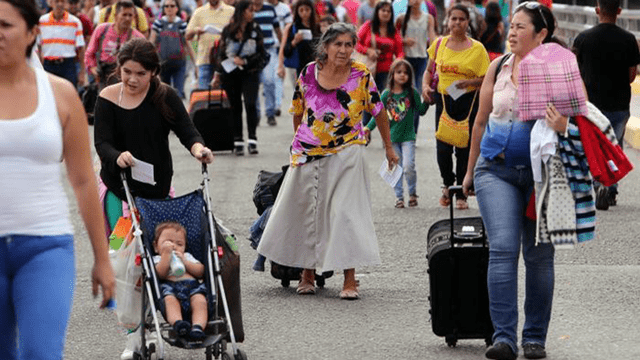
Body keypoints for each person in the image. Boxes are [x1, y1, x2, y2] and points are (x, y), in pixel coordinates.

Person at [0, 1, 115, 359]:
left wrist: (102, 258)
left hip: (46, 246)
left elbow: (82, 181)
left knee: (42, 352)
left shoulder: (61, 94)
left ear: (33, 33)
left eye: (5, 25)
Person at [257, 23, 399, 300]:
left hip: (348, 149)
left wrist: (388, 148)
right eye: (338, 44)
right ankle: (307, 272)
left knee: (346, 213)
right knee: (309, 211)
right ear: (325, 46)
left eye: (349, 45)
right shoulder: (310, 72)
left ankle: (349, 278)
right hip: (308, 151)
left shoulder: (360, 75)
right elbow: (298, 111)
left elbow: (378, 111)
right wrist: (299, 142)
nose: (344, 50)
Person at [93, 37, 213, 360]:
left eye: (140, 74)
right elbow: (101, 142)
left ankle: (169, 306)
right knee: (124, 260)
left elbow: (188, 132)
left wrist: (198, 149)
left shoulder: (165, 96)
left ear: (153, 72)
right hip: (119, 192)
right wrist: (117, 156)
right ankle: (134, 336)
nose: (131, 79)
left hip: (159, 195)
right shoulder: (106, 98)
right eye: (126, 71)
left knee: (159, 258)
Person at [461, 3, 563, 359]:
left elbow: (582, 121)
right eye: (512, 25)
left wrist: (564, 123)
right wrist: (470, 170)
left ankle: (534, 338)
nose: (513, 31)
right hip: (496, 170)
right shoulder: (498, 65)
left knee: (538, 257)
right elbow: (480, 119)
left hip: (543, 175)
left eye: (521, 27)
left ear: (541, 34)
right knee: (503, 249)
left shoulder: (559, 69)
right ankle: (503, 339)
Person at [572, 0, 640, 208]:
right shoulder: (629, 39)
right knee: (614, 147)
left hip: (591, 106)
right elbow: (631, 76)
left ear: (597, 10)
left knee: (593, 147)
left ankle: (598, 184)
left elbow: (574, 72)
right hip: (619, 106)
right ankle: (610, 189)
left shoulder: (583, 38)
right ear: (619, 11)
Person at [422, 3, 489, 210]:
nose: (457, 22)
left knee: (464, 148)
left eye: (461, 19)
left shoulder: (477, 49)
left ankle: (461, 191)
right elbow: (428, 70)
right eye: (454, 18)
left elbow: (487, 78)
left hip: (468, 102)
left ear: (468, 22)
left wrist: (469, 83)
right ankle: (447, 184)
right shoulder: (439, 44)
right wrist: (425, 85)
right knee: (442, 148)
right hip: (444, 99)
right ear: (448, 21)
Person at [365, 59, 428, 208]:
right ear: (392, 74)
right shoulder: (386, 94)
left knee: (408, 166)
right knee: (395, 168)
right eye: (399, 72)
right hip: (391, 139)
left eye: (406, 73)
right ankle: (399, 197)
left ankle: (412, 193)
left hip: (408, 138)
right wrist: (367, 128)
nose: (402, 75)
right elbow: (378, 114)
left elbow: (422, 111)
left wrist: (427, 99)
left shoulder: (412, 93)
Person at [212, 0, 269, 156]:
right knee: (235, 106)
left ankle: (252, 139)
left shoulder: (255, 29)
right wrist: (217, 74)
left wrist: (245, 61)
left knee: (251, 103)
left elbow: (261, 53)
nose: (253, 13)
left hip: (250, 72)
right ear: (242, 12)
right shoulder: (228, 30)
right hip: (230, 74)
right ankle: (238, 140)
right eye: (250, 10)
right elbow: (221, 54)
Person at [152, 221, 208, 340]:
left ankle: (198, 327)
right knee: (169, 301)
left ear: (185, 247)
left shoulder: (186, 256)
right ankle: (178, 324)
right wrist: (166, 255)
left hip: (192, 287)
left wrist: (185, 262)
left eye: (179, 244)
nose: (173, 246)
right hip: (170, 288)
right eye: (168, 242)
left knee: (200, 301)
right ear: (156, 247)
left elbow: (201, 271)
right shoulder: (157, 258)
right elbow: (160, 274)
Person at [355, 0, 404, 126]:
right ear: (377, 12)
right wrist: (368, 51)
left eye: (388, 11)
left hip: (387, 71)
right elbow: (356, 43)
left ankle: (388, 134)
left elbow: (400, 51)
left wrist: (398, 61)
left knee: (387, 102)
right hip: (369, 70)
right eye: (383, 10)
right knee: (368, 100)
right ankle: (366, 130)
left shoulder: (393, 30)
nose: (386, 13)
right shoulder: (368, 26)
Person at [396, 0, 437, 133]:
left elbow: (432, 40)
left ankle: (412, 132)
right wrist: (404, 41)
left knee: (415, 95)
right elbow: (393, 37)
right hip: (405, 61)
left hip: (422, 60)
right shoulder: (401, 18)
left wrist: (435, 57)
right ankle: (401, 128)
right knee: (405, 95)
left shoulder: (428, 18)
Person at [85, 0, 145, 90]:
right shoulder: (102, 30)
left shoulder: (138, 37)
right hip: (103, 75)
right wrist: (93, 69)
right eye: (124, 15)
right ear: (116, 16)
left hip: (125, 79)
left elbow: (144, 62)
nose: (127, 18)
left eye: (130, 15)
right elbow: (89, 53)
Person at [149, 0, 198, 99]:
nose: (169, 8)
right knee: (163, 94)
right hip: (162, 64)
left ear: (177, 8)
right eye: (166, 6)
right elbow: (151, 42)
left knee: (178, 94)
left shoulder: (181, 24)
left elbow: (188, 44)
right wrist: (149, 63)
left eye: (172, 6)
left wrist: (196, 64)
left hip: (179, 64)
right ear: (163, 9)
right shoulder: (158, 24)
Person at [186, 0, 234, 89]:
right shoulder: (199, 12)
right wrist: (197, 30)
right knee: (204, 95)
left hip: (226, 61)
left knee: (226, 96)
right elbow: (187, 35)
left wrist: (226, 33)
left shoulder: (231, 11)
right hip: (205, 60)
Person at [38, 0, 87, 88]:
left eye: (63, 1)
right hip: (48, 65)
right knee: (49, 96)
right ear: (51, 2)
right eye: (57, 1)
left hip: (68, 65)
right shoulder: (42, 21)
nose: (60, 4)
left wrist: (82, 72)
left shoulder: (75, 22)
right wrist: (38, 67)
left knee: (69, 96)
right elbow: (38, 46)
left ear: (66, 3)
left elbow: (81, 48)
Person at [252, 0, 283, 127]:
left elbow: (277, 29)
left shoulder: (270, 10)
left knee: (269, 81)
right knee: (253, 84)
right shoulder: (247, 10)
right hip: (252, 52)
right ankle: (256, 114)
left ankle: (270, 113)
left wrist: (283, 48)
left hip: (268, 51)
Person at [277, 0, 320, 85]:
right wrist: (294, 42)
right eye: (301, 10)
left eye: (307, 9)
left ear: (311, 10)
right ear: (297, 12)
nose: (304, 13)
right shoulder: (292, 28)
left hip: (314, 67)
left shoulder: (316, 28)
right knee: (299, 94)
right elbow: (285, 50)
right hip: (297, 68)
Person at [267, 0, 293, 117]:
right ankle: (271, 104)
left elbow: (289, 27)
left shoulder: (284, 8)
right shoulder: (264, 7)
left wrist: (286, 44)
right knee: (268, 80)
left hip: (280, 46)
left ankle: (277, 105)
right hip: (267, 47)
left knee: (277, 77)